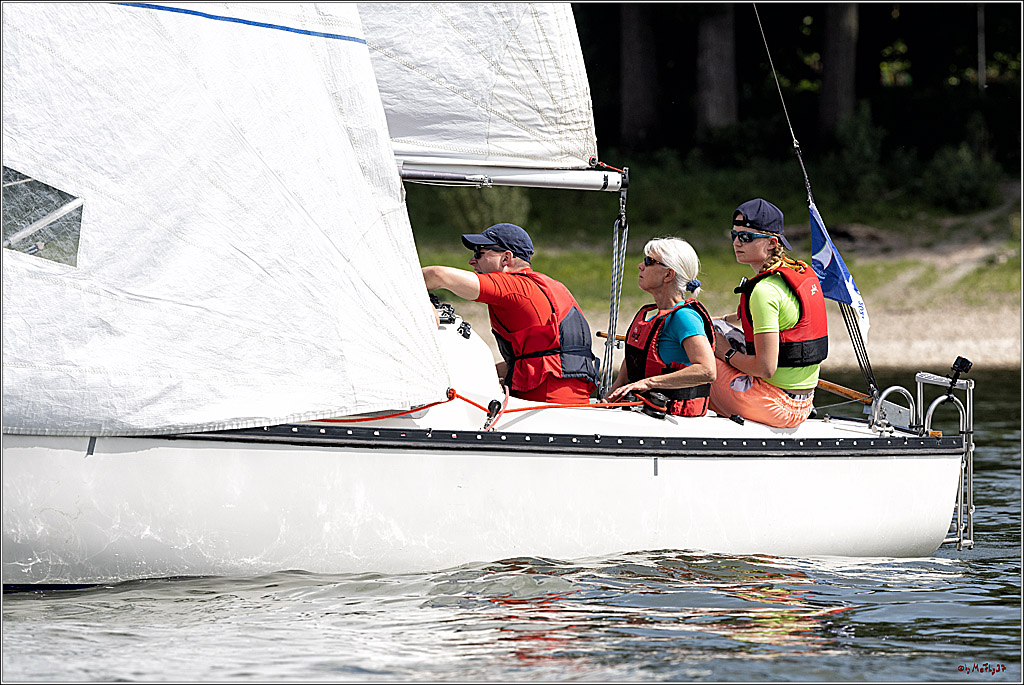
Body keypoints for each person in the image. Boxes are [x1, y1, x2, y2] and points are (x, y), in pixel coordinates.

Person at [421, 222, 599, 403]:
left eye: (479, 253)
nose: (472, 261)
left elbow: (437, 275)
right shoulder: (554, 286)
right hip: (573, 400)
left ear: (506, 258)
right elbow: (533, 360)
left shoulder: (514, 287)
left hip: (545, 404)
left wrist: (419, 297)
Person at [710, 198, 828, 428]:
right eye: (734, 235)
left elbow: (765, 368)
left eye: (746, 237)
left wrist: (726, 353)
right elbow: (751, 317)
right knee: (712, 329)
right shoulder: (791, 272)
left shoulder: (764, 291)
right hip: (803, 403)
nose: (737, 243)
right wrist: (717, 321)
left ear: (772, 243)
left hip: (776, 405)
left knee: (693, 351)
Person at [605, 238, 717, 416]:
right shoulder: (652, 318)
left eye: (649, 261)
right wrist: (605, 404)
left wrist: (649, 383)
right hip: (642, 412)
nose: (640, 266)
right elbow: (624, 379)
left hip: (673, 417)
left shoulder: (684, 317)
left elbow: (707, 370)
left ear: (668, 275)